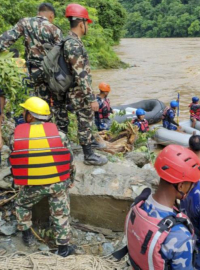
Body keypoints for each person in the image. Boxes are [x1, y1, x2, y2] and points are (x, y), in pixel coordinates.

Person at [8, 97, 75, 257]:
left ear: (30, 116)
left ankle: (27, 236)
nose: (23, 113)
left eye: (25, 111)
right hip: (57, 184)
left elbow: (16, 161)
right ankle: (63, 249)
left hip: (32, 185)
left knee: (21, 204)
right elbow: (69, 161)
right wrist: (70, 180)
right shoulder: (60, 135)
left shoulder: (16, 137)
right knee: (61, 212)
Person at [122, 145, 200, 269]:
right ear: (180, 186)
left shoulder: (139, 205)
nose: (191, 187)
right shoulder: (180, 235)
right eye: (191, 184)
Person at [61, 3, 107, 166]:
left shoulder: (70, 41)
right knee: (85, 120)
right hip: (78, 91)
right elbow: (80, 74)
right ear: (81, 23)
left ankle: (87, 146)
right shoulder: (73, 44)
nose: (87, 26)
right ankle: (89, 155)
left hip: (74, 90)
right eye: (87, 23)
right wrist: (91, 98)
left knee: (84, 121)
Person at [0, 3, 63, 103]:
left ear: (38, 13)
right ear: (51, 15)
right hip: (49, 73)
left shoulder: (25, 22)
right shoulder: (55, 29)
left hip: (31, 72)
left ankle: (29, 116)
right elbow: (61, 56)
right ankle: (45, 117)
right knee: (45, 104)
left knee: (29, 101)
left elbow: (6, 39)